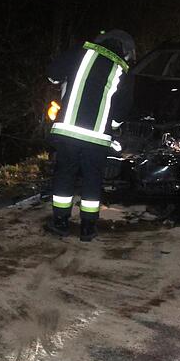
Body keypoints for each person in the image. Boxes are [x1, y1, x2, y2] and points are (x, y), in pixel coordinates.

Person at [45, 29, 135, 242]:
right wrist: (112, 124)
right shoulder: (123, 70)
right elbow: (121, 111)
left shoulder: (80, 52)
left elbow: (53, 74)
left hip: (68, 130)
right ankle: (88, 228)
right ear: (125, 51)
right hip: (97, 137)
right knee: (92, 177)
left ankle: (60, 223)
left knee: (65, 173)